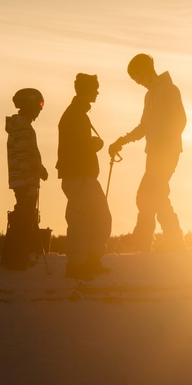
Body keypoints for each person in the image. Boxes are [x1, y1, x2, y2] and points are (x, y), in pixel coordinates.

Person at [109, 54, 187, 252]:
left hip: (166, 153)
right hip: (154, 153)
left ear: (145, 71)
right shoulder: (150, 94)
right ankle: (164, 238)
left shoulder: (169, 89)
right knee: (153, 195)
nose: (138, 83)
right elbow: (144, 126)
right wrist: (122, 140)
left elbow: (180, 120)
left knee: (149, 194)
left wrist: (165, 142)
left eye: (138, 78)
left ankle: (155, 238)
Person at [57, 73, 113, 279]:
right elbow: (78, 147)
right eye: (94, 89)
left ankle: (90, 260)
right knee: (81, 221)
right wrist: (95, 145)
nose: (97, 92)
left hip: (85, 177)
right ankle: (77, 265)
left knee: (100, 218)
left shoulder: (77, 114)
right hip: (79, 176)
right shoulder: (75, 115)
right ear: (85, 90)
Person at [3, 87, 49, 270]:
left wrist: (40, 169)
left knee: (26, 215)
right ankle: (16, 258)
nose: (40, 109)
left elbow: (28, 154)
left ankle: (17, 256)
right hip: (25, 181)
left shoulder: (22, 126)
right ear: (29, 105)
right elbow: (23, 155)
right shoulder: (22, 126)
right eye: (38, 105)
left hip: (23, 179)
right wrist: (31, 180)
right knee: (25, 216)